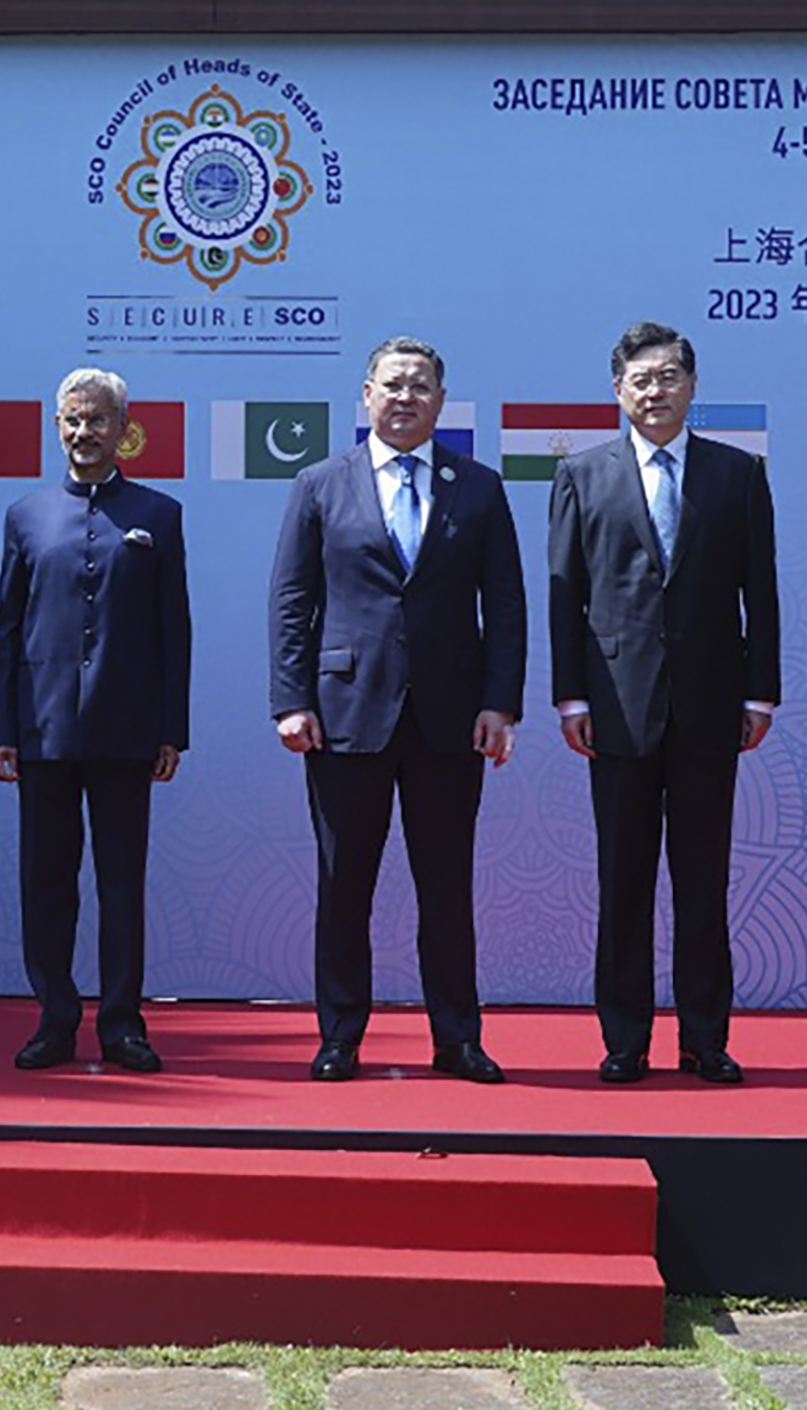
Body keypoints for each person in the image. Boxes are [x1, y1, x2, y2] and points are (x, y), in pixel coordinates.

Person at [268, 336, 524, 1084]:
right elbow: (292, 601)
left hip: (450, 718)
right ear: (367, 394)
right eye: (392, 384)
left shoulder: (478, 488)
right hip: (345, 714)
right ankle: (340, 1035)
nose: (406, 397)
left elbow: (504, 605)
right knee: (344, 885)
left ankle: (457, 1038)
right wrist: (290, 700)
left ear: (442, 401)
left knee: (447, 887)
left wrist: (499, 704)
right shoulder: (321, 483)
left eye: (420, 386)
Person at [546, 320, 778, 1086]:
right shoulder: (582, 477)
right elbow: (566, 596)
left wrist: (761, 692)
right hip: (616, 706)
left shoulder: (736, 475)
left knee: (703, 879)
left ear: (692, 386)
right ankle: (625, 1040)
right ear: (618, 391)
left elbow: (761, 593)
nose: (656, 391)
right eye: (641, 380)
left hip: (713, 705)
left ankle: (706, 1039)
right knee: (624, 881)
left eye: (670, 377)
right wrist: (569, 696)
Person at [0, 369, 192, 1071]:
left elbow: (175, 629)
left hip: (128, 730)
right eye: (72, 421)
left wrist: (172, 728)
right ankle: (53, 1018)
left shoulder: (158, 513)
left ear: (121, 427)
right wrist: (1, 729)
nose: (84, 434)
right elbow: (6, 630)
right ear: (57, 426)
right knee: (46, 881)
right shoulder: (26, 514)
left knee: (120, 883)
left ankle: (122, 1023)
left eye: (97, 421)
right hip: (42, 732)